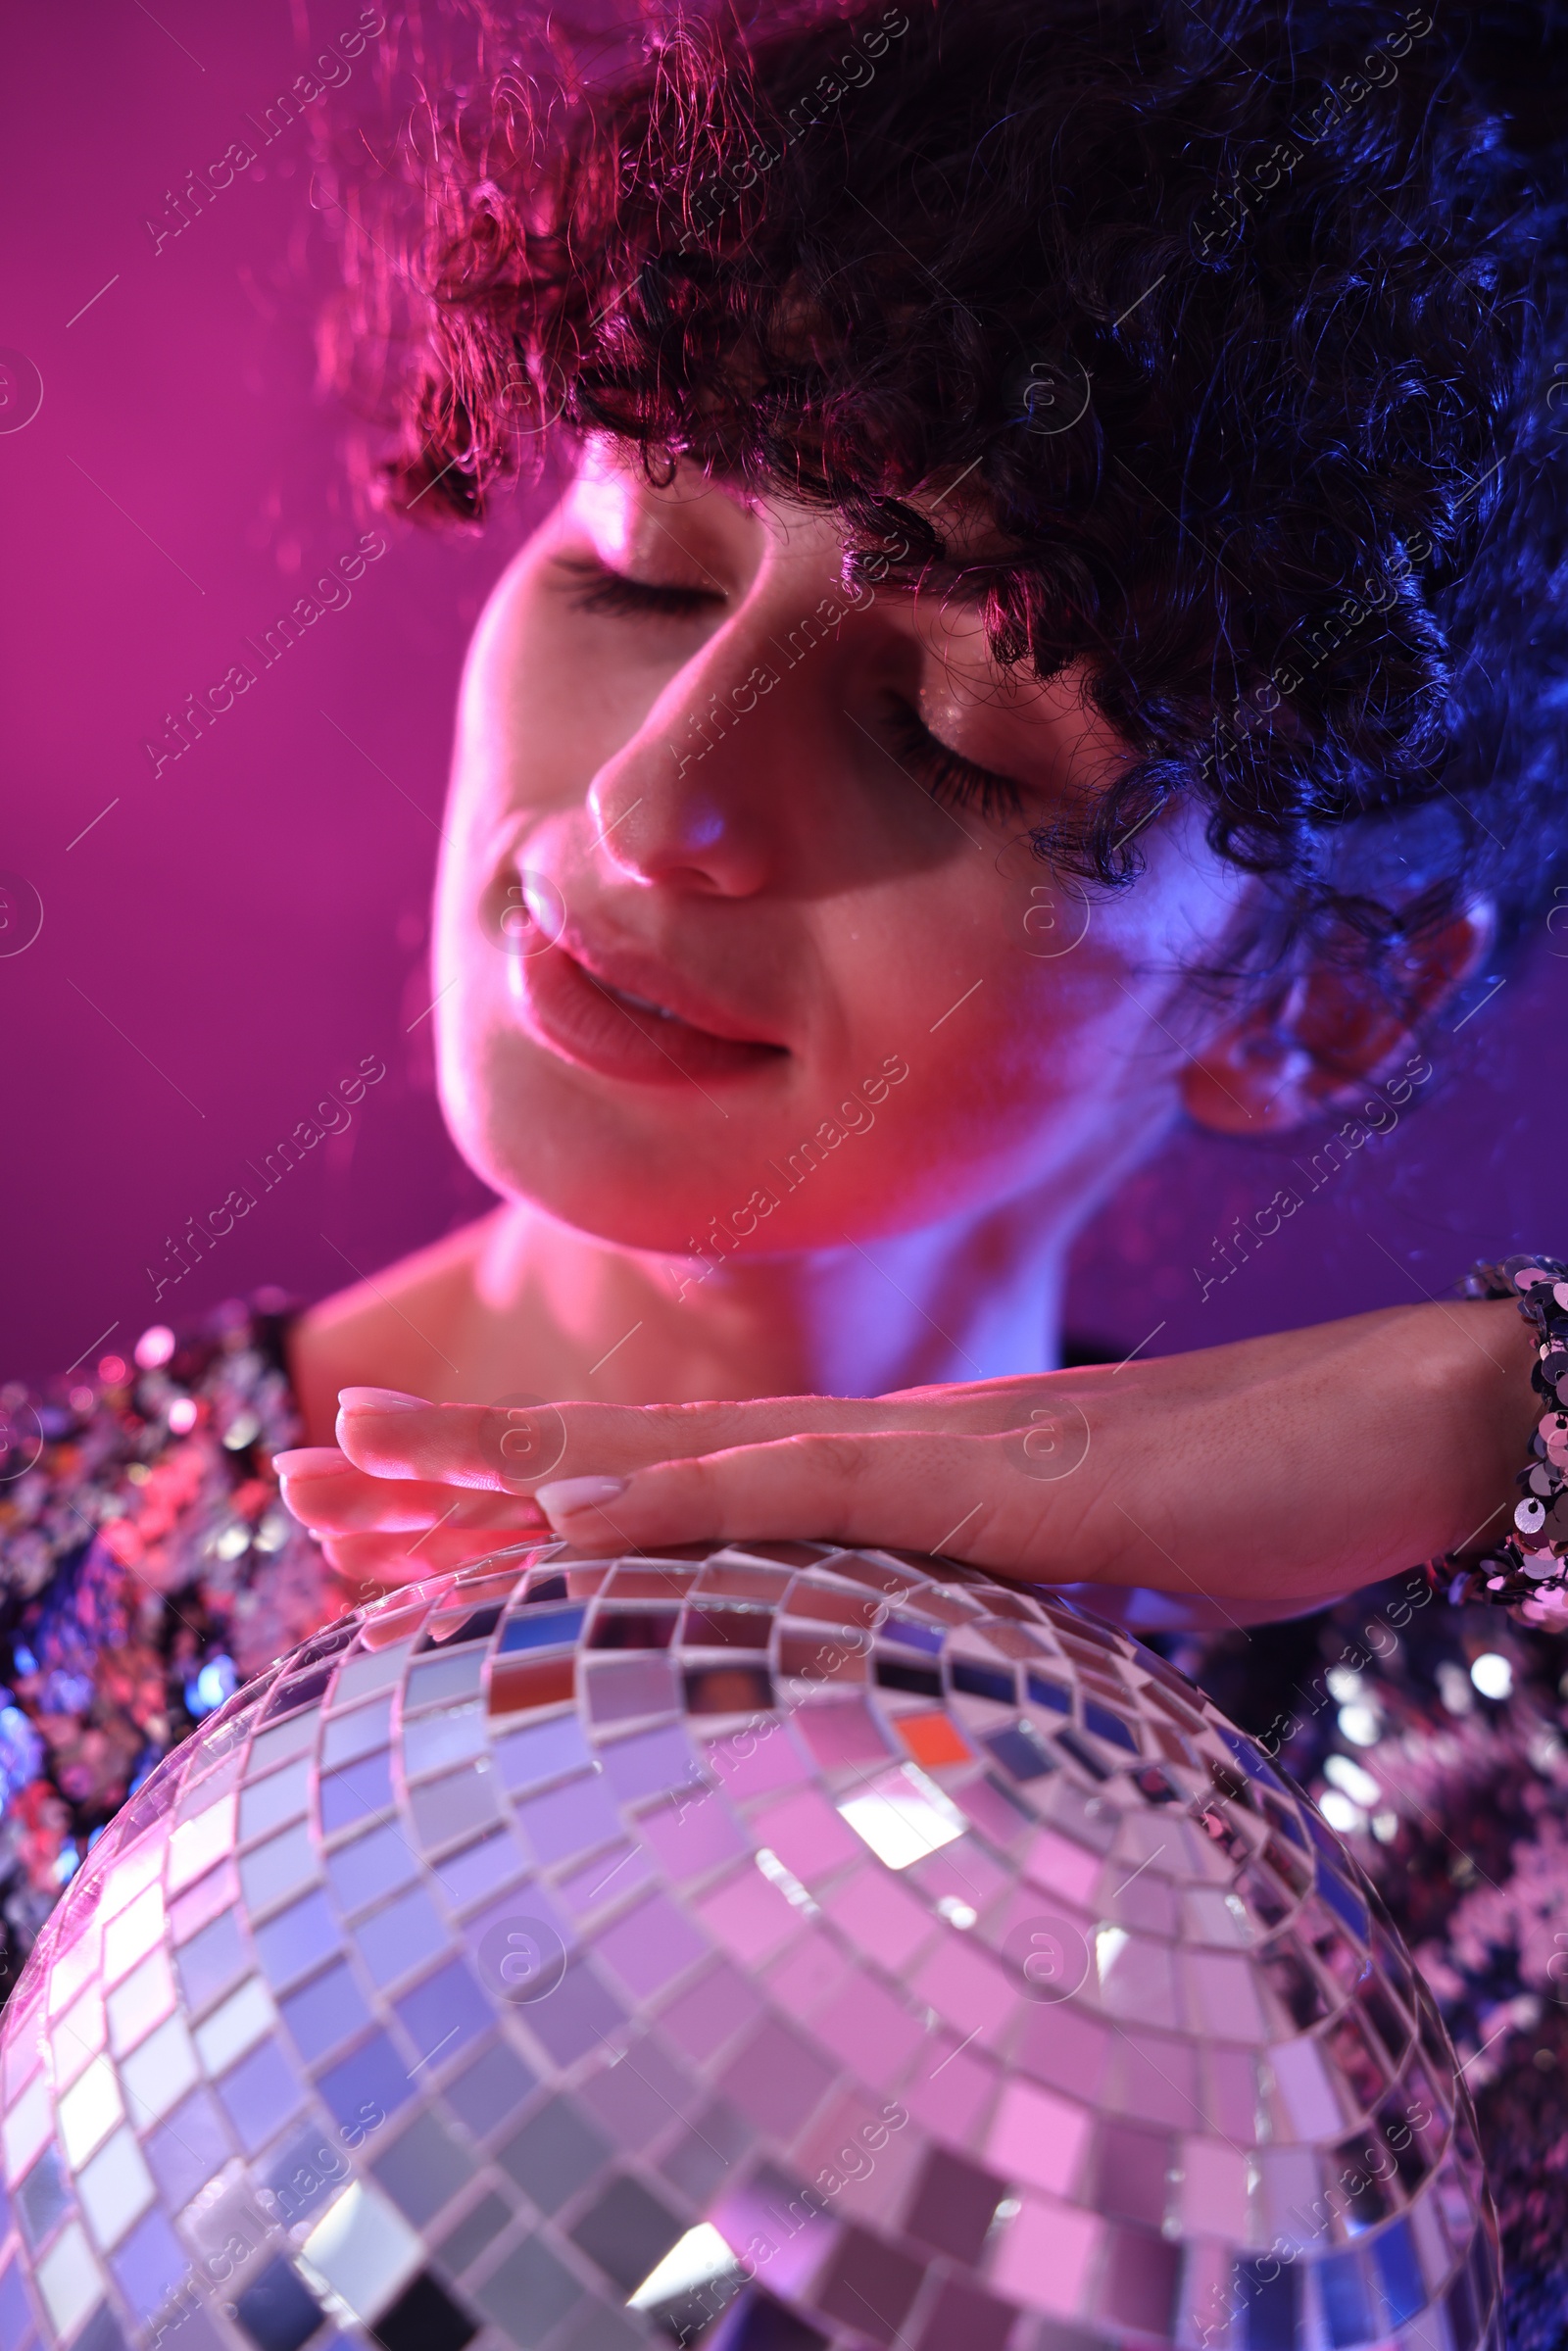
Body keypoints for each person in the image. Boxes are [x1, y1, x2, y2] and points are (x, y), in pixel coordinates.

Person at [5, 0, 1568, 2338]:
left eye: (940, 734)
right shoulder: (43, 1623)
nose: (645, 807)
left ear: (1319, 996)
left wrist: (1501, 1415)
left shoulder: (1462, 1822)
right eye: (636, 565)